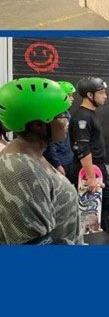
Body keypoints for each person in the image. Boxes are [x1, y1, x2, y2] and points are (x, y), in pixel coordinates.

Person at [0, 77, 81, 245]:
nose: (67, 120)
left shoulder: (32, 154)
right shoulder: (21, 171)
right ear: (38, 125)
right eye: (61, 115)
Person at [68, 77, 109, 234]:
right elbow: (82, 148)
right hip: (89, 169)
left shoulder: (91, 114)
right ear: (89, 95)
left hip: (98, 167)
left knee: (107, 204)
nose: (105, 96)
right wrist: (90, 177)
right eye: (101, 93)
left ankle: (103, 238)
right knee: (95, 210)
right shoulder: (82, 117)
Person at [44, 80, 75, 175]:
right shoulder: (53, 115)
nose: (72, 98)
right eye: (70, 95)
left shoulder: (66, 113)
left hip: (69, 159)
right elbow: (50, 143)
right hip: (59, 161)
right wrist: (57, 164)